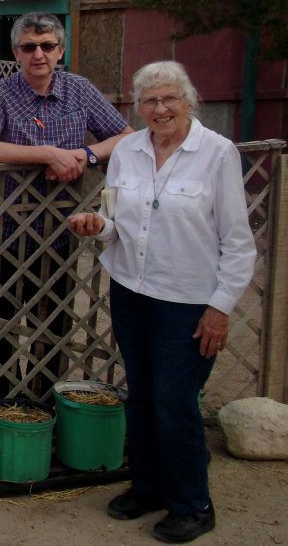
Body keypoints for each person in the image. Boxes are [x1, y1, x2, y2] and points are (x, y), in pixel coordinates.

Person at [68, 61, 255, 544]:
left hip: (188, 302)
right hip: (132, 292)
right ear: (136, 106)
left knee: (176, 403)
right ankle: (147, 487)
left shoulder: (217, 154)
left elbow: (238, 243)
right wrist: (97, 226)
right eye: (149, 101)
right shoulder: (128, 150)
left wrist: (220, 307)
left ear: (188, 101)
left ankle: (193, 504)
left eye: (170, 98)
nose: (160, 108)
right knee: (143, 397)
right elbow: (118, 223)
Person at [0, 12, 132, 399]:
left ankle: (45, 408)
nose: (38, 54)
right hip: (4, 226)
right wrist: (47, 155)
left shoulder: (79, 90)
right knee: (4, 324)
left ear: (61, 50)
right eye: (29, 47)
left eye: (47, 46)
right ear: (16, 52)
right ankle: (3, 407)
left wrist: (85, 154)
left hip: (62, 228)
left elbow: (126, 136)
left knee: (54, 324)